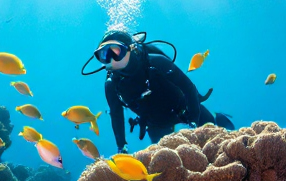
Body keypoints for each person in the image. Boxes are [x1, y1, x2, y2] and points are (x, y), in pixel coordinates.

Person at [83, 30, 233, 150]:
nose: (111, 59)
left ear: (131, 48)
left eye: (115, 51)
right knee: (165, 159)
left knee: (219, 134)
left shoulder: (156, 62)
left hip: (183, 109)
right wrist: (122, 147)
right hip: (155, 123)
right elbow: (116, 115)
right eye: (103, 55)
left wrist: (194, 119)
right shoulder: (111, 85)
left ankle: (218, 118)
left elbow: (188, 88)